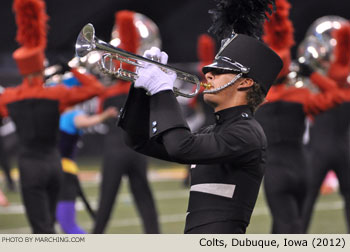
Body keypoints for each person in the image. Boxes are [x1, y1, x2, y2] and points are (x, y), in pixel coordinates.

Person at [118, 0, 283, 234]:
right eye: (209, 69)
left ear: (245, 82)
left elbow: (181, 147)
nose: (208, 73)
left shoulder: (247, 133)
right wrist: (141, 90)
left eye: (220, 71)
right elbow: (137, 140)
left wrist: (163, 90)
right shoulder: (214, 132)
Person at [0, 0, 104, 233]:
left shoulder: (9, 97)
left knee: (40, 228)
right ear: (40, 67)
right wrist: (72, 69)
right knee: (51, 224)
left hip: (29, 165)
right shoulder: (56, 94)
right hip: (54, 163)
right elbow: (96, 89)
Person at [255, 0, 345, 234]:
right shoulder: (301, 95)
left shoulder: (259, 97)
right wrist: (313, 74)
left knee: (287, 225)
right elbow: (336, 95)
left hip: (277, 171)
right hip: (302, 167)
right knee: (293, 226)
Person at [93, 10, 160, 234]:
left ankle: (95, 237)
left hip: (114, 151)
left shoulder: (107, 94)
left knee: (105, 204)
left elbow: (99, 104)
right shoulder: (143, 90)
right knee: (144, 199)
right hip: (138, 151)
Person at [302, 22, 350, 233]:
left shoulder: (318, 85)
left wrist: (310, 73)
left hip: (317, 152)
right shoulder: (340, 87)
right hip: (344, 149)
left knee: (305, 203)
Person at [56, 75, 118, 234]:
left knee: (67, 225)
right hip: (51, 172)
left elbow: (88, 121)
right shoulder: (56, 113)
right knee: (49, 224)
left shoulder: (74, 115)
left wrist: (105, 115)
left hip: (64, 172)